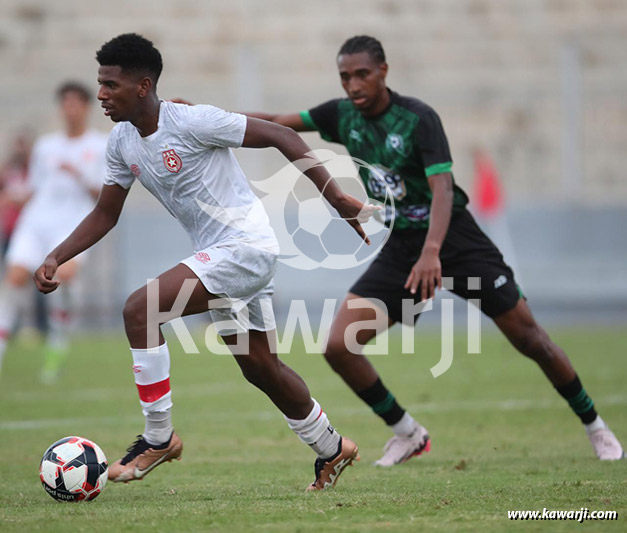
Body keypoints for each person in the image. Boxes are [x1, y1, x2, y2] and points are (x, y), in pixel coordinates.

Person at [247, 35, 624, 463]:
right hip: (405, 247)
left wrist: (433, 252)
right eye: (345, 76)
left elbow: (442, 188)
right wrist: (206, 117)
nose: (353, 85)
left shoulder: (418, 118)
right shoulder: (341, 116)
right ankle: (408, 433)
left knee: (530, 339)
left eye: (362, 74)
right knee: (339, 345)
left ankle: (596, 426)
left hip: (456, 242)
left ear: (383, 72)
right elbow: (276, 122)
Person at [34, 33, 377, 490]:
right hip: (221, 256)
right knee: (261, 368)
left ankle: (159, 437)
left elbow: (282, 134)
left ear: (142, 85)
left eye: (110, 85)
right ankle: (333, 448)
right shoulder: (121, 142)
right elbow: (105, 213)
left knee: (142, 308)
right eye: (100, 83)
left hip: (244, 247)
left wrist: (335, 197)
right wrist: (57, 256)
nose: (101, 95)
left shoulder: (193, 121)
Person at [0, 83, 106, 381]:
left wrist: (78, 173)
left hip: (72, 225)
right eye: (65, 104)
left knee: (62, 277)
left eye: (76, 103)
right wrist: (12, 195)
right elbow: (33, 189)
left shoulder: (99, 145)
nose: (70, 109)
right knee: (15, 278)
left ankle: (57, 341)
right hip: (36, 221)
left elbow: (104, 192)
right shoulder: (46, 146)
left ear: (86, 107)